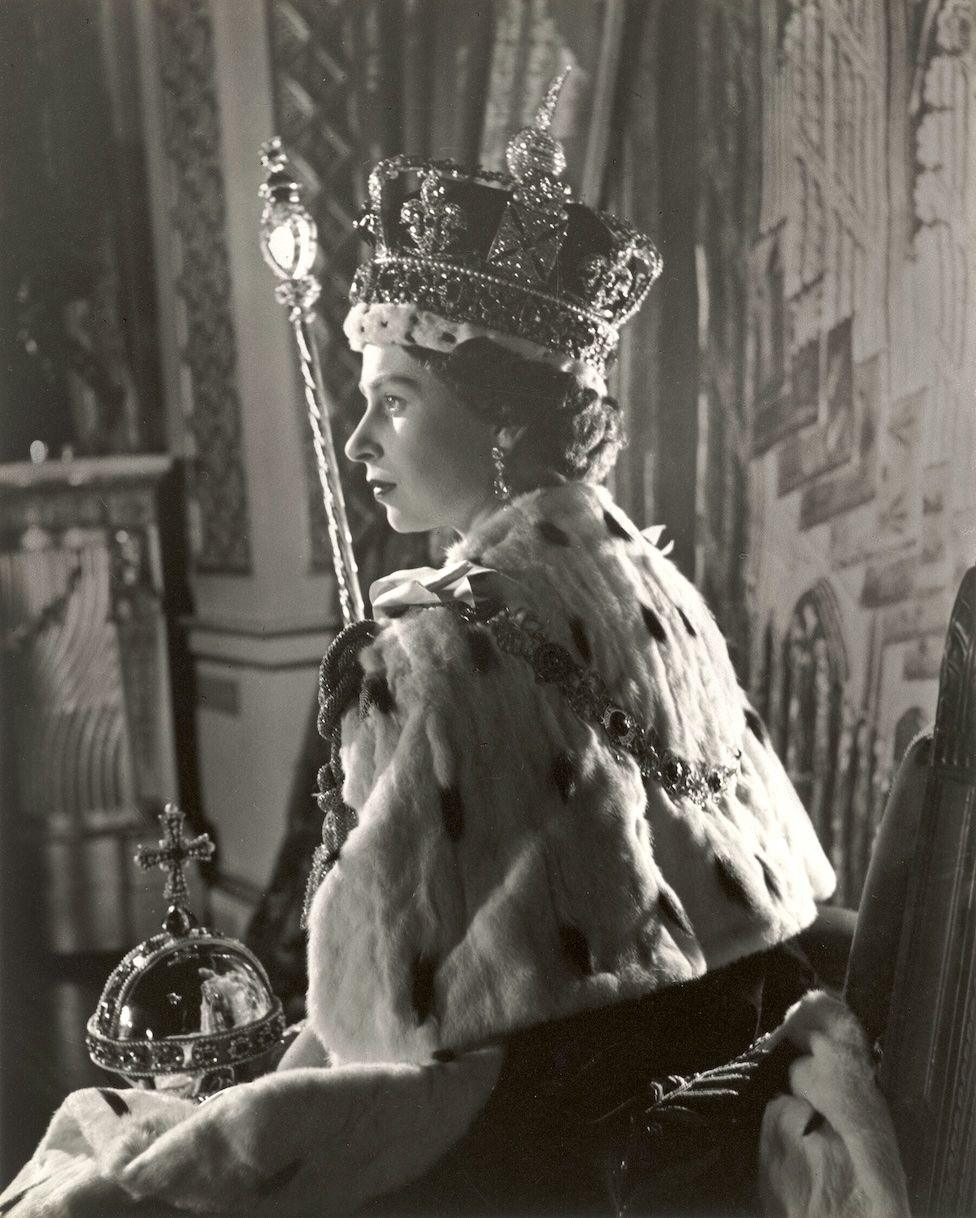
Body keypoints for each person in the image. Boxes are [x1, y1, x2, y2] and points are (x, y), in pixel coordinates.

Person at [3, 80, 908, 1218]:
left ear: (504, 422)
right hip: (703, 1075)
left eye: (395, 400)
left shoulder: (430, 642)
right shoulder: (652, 576)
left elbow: (375, 1017)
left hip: (543, 1151)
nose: (357, 437)